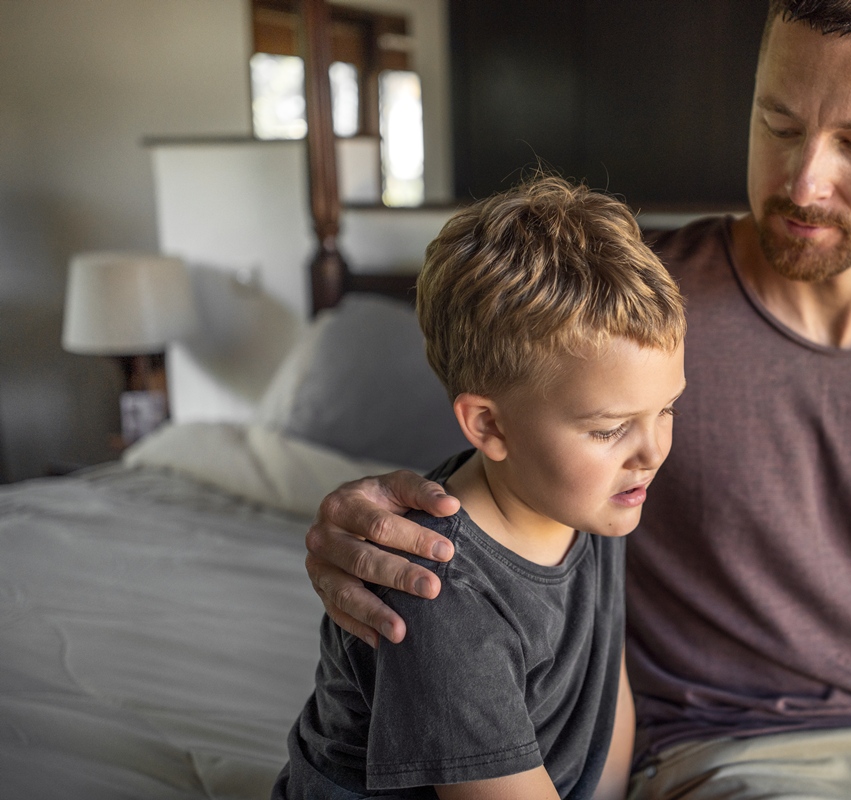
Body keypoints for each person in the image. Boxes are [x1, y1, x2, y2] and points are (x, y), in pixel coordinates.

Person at [303, 2, 851, 798]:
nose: (803, 182)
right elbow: (501, 477)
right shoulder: (634, 316)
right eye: (779, 124)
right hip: (734, 754)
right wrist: (358, 517)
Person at [274, 176, 687, 800]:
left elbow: (606, 706)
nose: (652, 452)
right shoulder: (441, 593)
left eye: (667, 410)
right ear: (489, 426)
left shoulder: (592, 498)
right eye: (609, 429)